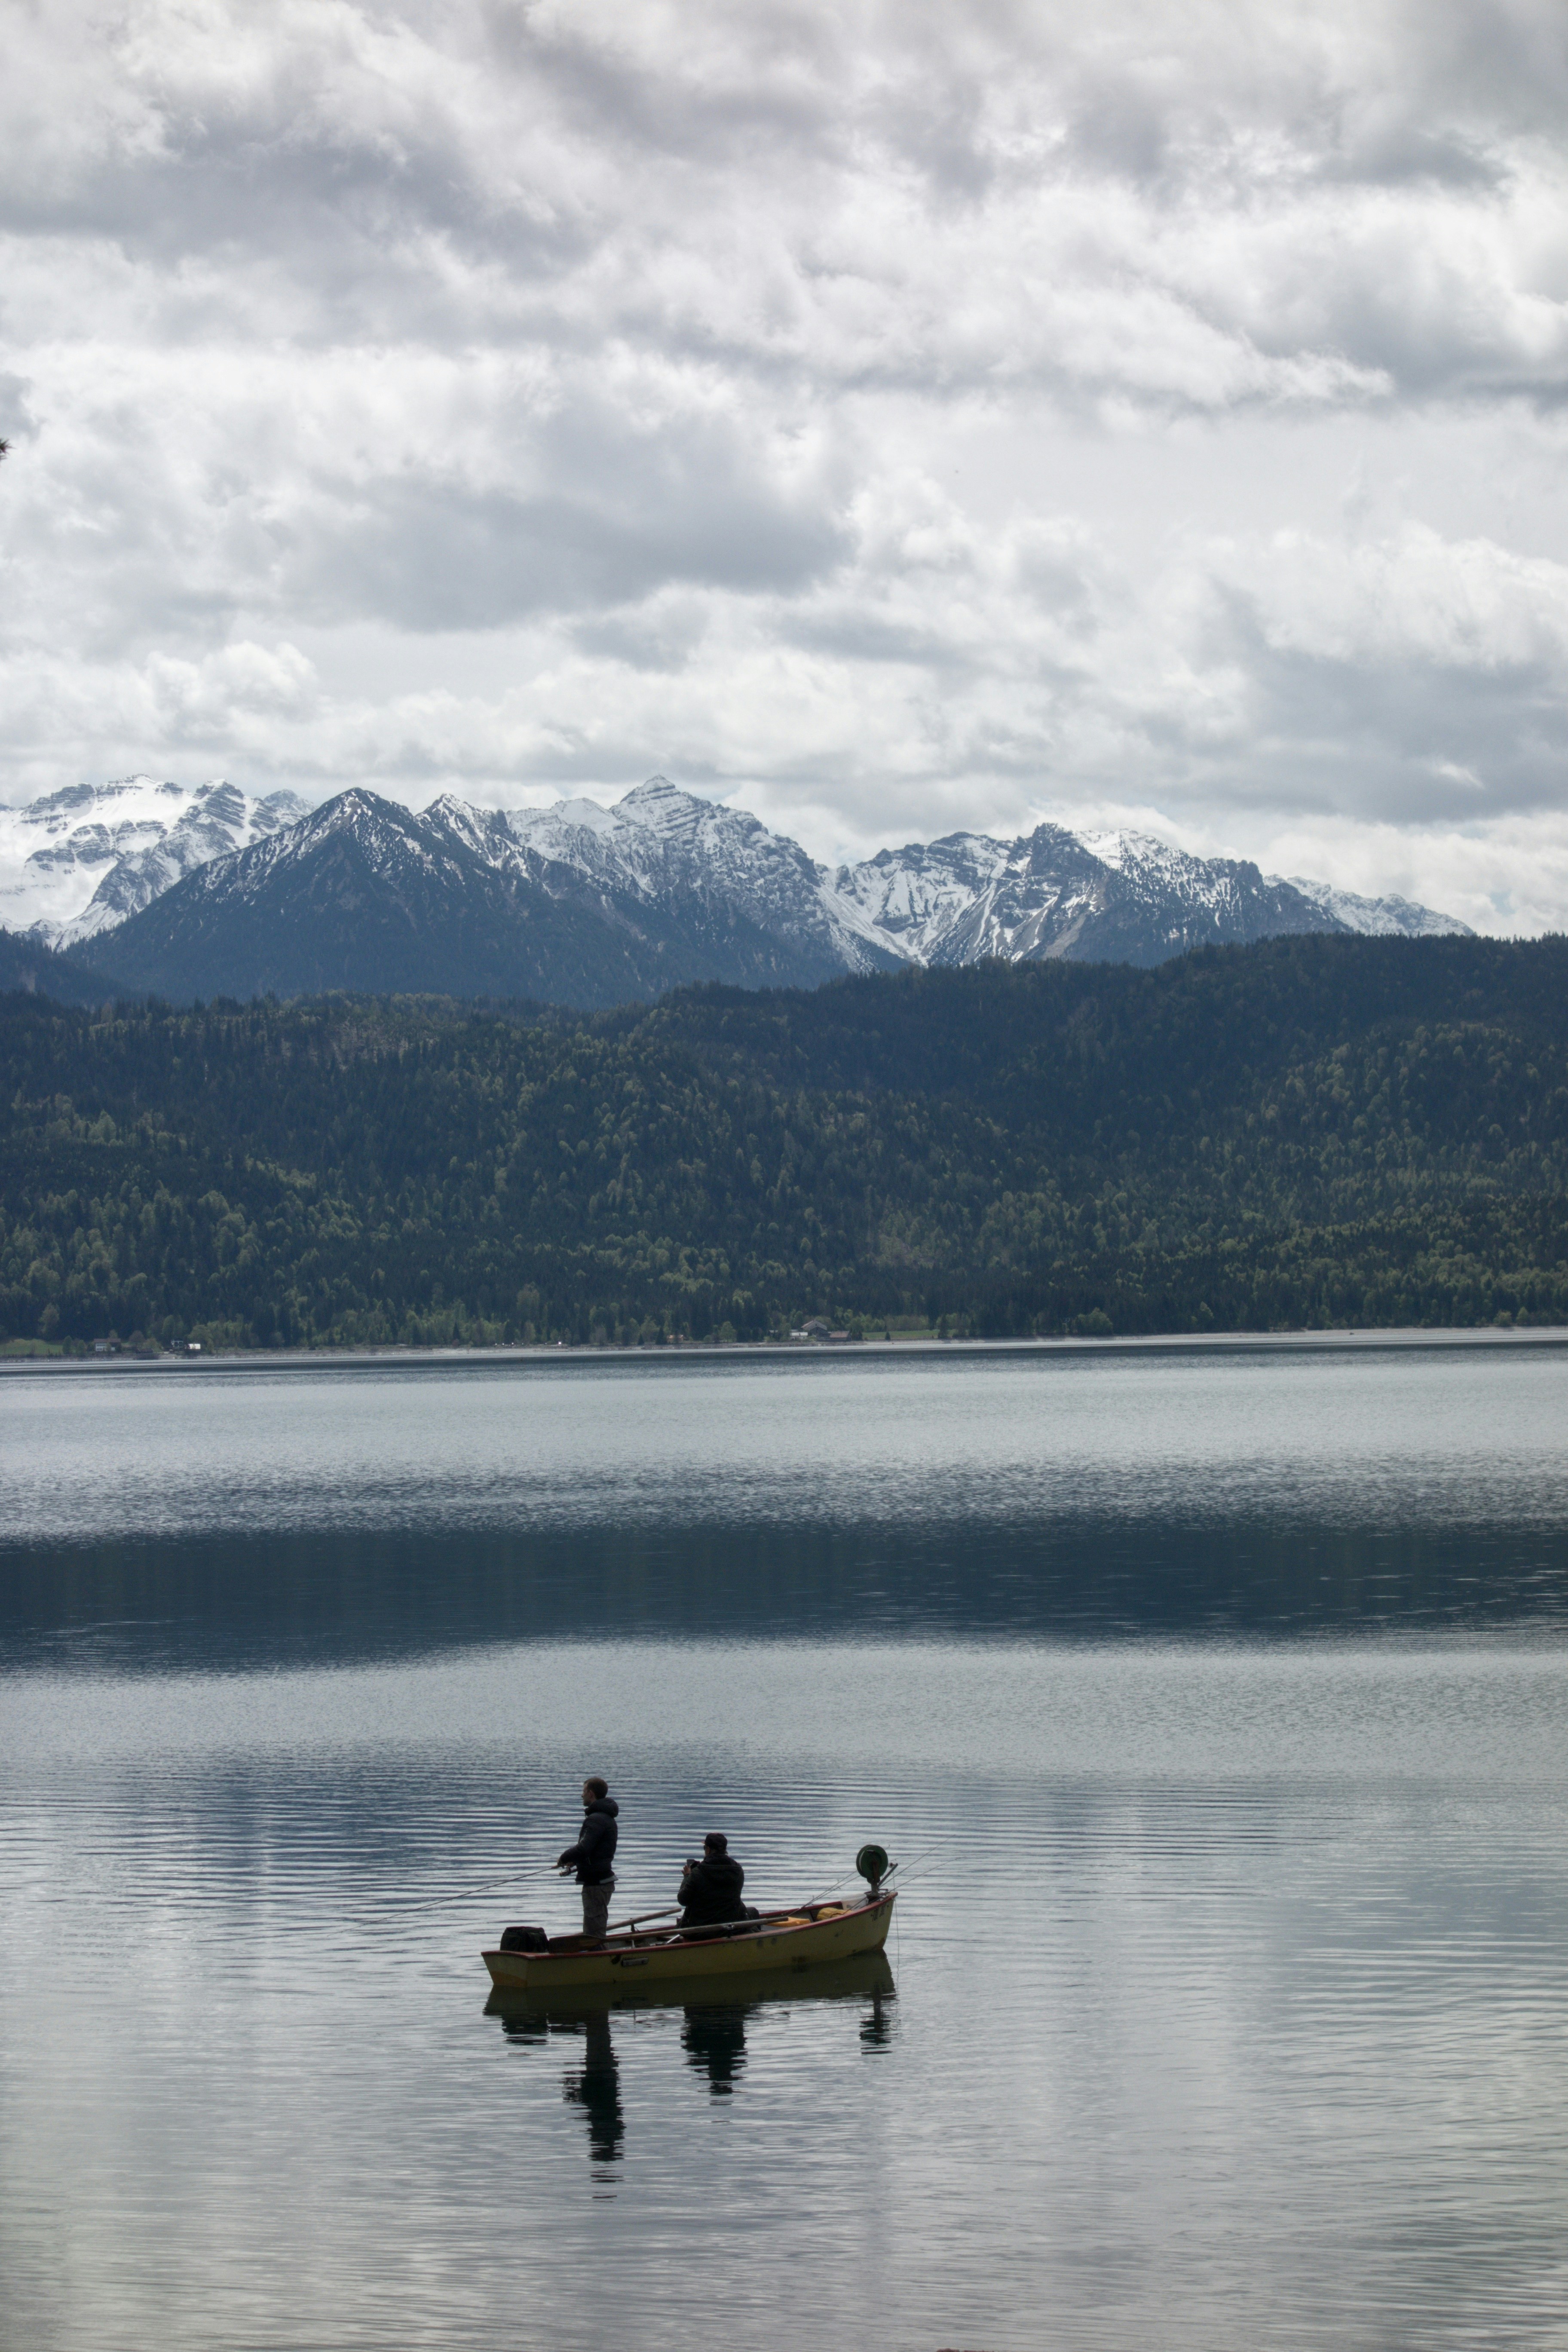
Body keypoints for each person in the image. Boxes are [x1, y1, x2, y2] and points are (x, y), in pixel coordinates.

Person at [557, 1776, 619, 1946]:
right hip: (602, 1881)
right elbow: (597, 1851)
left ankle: (600, 1965)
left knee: (594, 1936)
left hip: (596, 1885)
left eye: (583, 1791)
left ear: (591, 1794)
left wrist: (563, 1858)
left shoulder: (596, 1819)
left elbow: (584, 1848)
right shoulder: (606, 1817)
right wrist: (576, 1863)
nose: (581, 1795)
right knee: (594, 1929)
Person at [678, 1831, 747, 1927]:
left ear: (708, 1850)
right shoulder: (738, 1870)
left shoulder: (698, 1873)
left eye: (704, 1848)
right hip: (731, 1927)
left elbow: (683, 1900)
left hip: (701, 1931)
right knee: (753, 1912)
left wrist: (687, 1877)